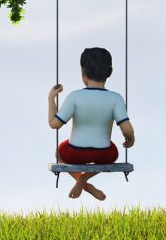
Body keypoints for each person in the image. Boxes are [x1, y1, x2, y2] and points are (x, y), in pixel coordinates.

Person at [47, 47, 134, 201]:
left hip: (75, 152)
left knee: (58, 153)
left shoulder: (74, 97)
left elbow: (54, 124)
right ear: (110, 72)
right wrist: (130, 139)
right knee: (113, 153)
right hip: (103, 153)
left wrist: (51, 99)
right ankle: (84, 180)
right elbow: (126, 128)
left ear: (83, 72)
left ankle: (82, 182)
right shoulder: (116, 98)